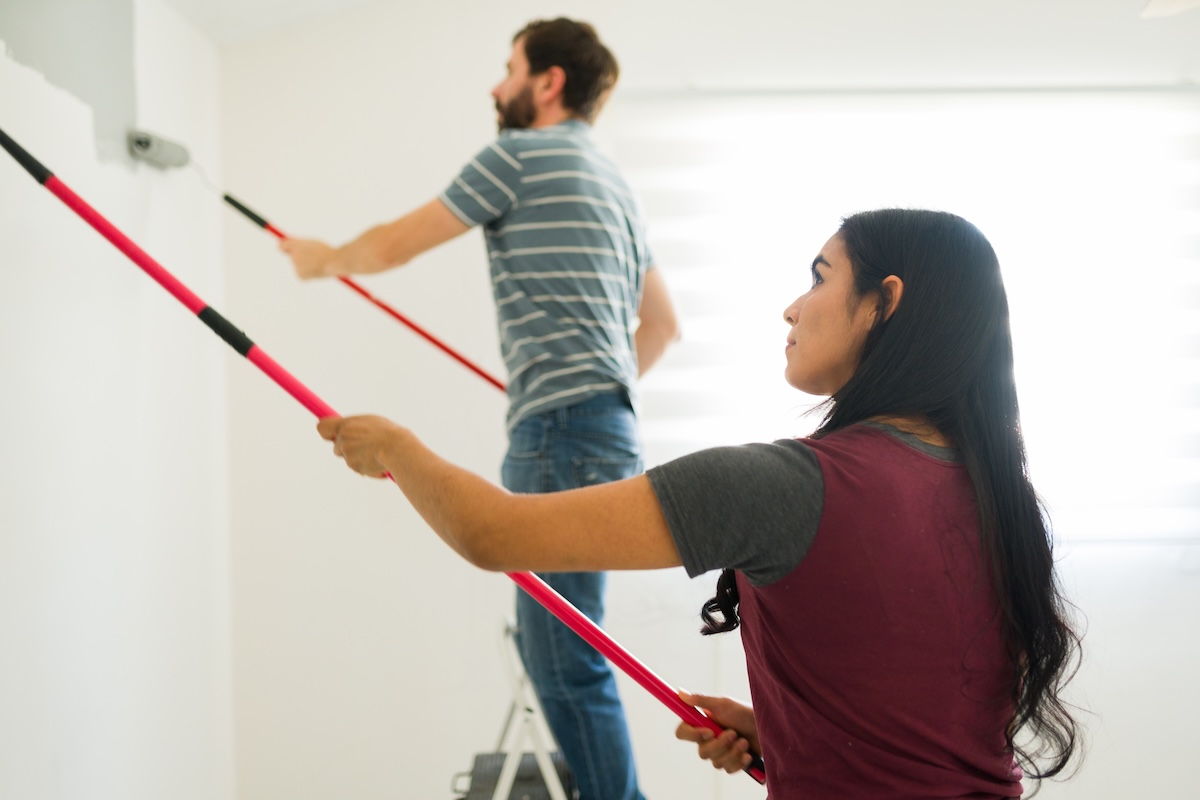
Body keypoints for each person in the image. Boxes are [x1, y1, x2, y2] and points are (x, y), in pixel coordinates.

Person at [316, 209, 1083, 799]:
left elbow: (494, 535)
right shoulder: (1006, 502)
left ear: (886, 302)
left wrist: (395, 448)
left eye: (819, 277)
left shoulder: (785, 486)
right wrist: (791, 738)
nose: (792, 308)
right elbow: (923, 719)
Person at [280, 18, 676, 800]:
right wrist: (587, 380)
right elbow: (662, 327)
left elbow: (396, 244)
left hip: (561, 431)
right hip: (609, 427)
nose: (497, 87)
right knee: (570, 650)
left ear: (549, 82)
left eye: (509, 69)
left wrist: (320, 258)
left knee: (562, 659)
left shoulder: (518, 155)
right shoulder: (615, 184)